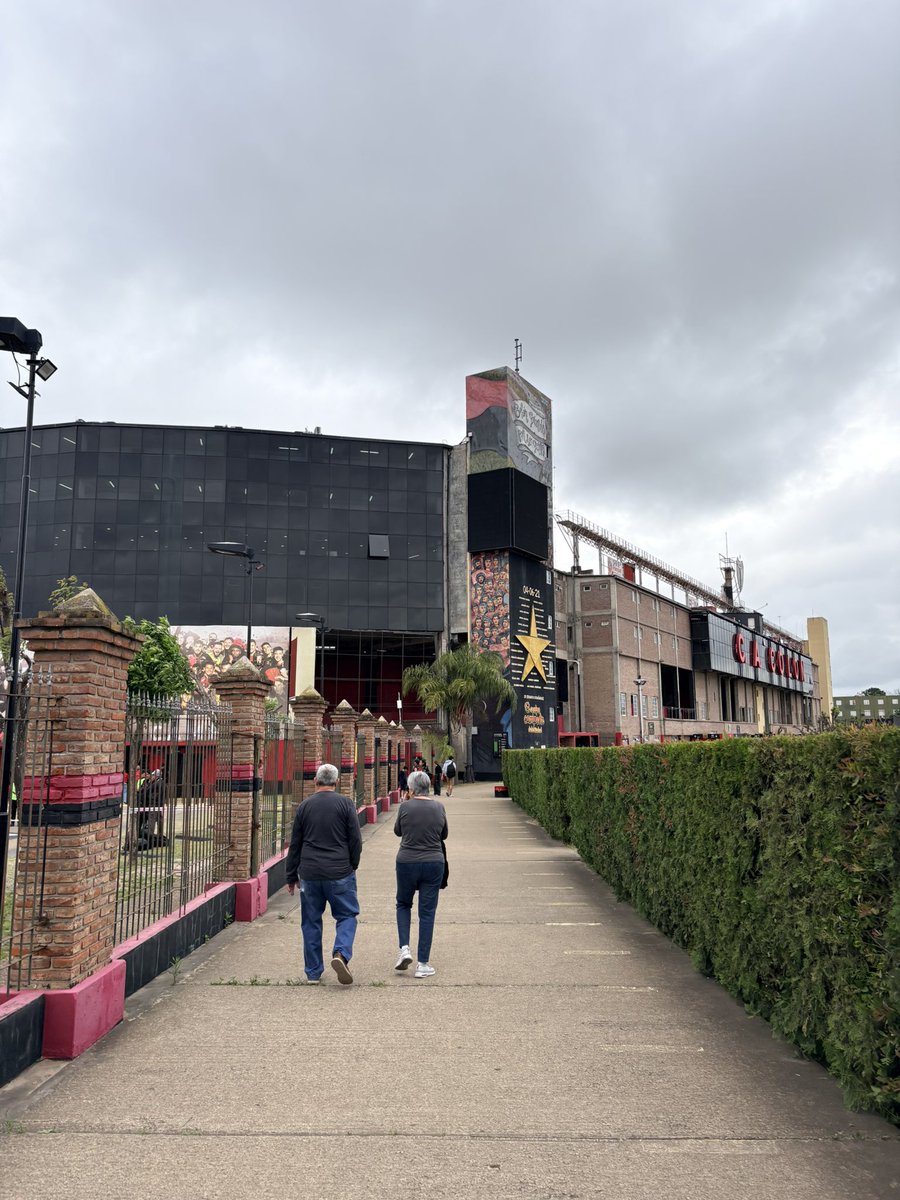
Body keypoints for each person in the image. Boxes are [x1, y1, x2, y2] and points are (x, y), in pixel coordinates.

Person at [285, 763, 362, 985]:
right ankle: (340, 954)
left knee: (310, 921)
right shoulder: (346, 804)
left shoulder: (304, 807)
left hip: (309, 873)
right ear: (336, 782)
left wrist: (291, 876)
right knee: (347, 915)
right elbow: (355, 840)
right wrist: (352, 865)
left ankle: (312, 972)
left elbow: (296, 844)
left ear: (315, 781)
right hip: (339, 871)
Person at [393, 769, 448, 979]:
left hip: (406, 861)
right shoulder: (438, 807)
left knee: (403, 904)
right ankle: (423, 963)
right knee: (427, 912)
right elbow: (445, 834)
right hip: (434, 862)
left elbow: (398, 831)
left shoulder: (405, 807)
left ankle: (404, 949)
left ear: (411, 789)